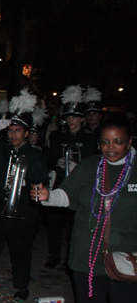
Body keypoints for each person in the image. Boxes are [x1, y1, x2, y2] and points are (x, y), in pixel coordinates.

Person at [32, 119, 137, 303]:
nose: (110, 147)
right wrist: (47, 196)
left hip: (126, 258)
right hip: (87, 257)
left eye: (117, 141)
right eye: (105, 141)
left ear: (129, 141)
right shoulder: (90, 166)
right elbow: (67, 196)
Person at [0, 90, 49, 300]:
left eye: (18, 130)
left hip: (23, 206)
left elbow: (42, 181)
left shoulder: (35, 155)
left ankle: (21, 287)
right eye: (11, 130)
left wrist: (23, 182)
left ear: (26, 133)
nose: (13, 134)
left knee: (20, 249)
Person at [45, 86, 98, 269]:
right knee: (54, 224)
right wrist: (57, 162)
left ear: (82, 119)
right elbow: (49, 158)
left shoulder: (91, 138)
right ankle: (54, 255)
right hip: (61, 183)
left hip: (81, 186)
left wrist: (79, 166)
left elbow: (95, 161)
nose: (71, 120)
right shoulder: (57, 136)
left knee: (76, 226)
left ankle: (73, 258)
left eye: (74, 117)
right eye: (68, 117)